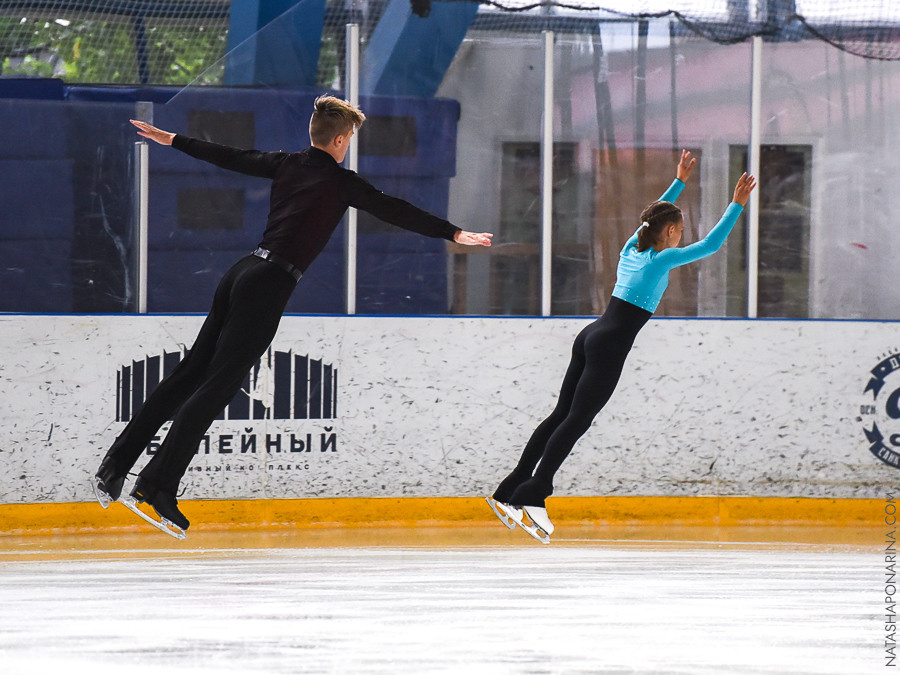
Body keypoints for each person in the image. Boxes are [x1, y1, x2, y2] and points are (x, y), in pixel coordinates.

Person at [92, 95, 493, 536]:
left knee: (188, 377)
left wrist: (174, 140)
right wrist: (454, 232)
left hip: (241, 272)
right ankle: (157, 485)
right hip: (268, 283)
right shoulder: (342, 183)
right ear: (340, 140)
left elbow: (233, 157)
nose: (348, 147)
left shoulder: (285, 163)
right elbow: (395, 208)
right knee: (215, 387)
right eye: (350, 140)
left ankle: (115, 465)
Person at [487, 151, 756, 542]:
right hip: (610, 345)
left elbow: (649, 217)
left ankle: (509, 487)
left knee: (561, 413)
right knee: (577, 420)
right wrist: (737, 204)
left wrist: (679, 181)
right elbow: (712, 245)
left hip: (591, 335)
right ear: (668, 233)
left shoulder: (634, 247)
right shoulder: (659, 261)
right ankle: (535, 491)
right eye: (679, 229)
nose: (681, 235)